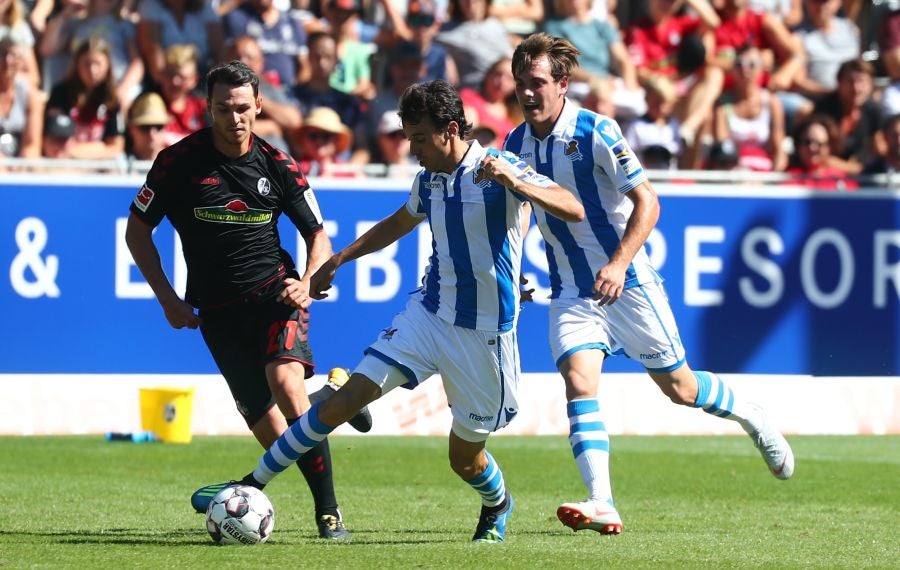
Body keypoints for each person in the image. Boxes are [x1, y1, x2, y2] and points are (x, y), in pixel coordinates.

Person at [194, 78, 585, 543]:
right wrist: (339, 258)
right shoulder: (429, 179)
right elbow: (398, 223)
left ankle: (497, 502)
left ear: (450, 130)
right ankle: (250, 484)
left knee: (464, 458)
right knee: (343, 402)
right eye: (408, 138)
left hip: (484, 334)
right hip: (428, 314)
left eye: (419, 138)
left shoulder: (497, 168)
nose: (412, 149)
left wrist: (516, 181)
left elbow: (573, 207)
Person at [504, 33, 795, 536]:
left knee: (681, 389)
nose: (527, 93)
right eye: (520, 84)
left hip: (628, 283)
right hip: (573, 290)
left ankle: (752, 414)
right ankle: (602, 502)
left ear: (563, 84)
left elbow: (649, 202)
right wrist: (515, 262)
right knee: (578, 381)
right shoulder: (515, 142)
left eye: (537, 83)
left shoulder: (597, 130)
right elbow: (525, 206)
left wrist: (617, 264)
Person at [124, 60, 371, 541]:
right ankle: (333, 401)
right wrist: (167, 299)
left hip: (276, 296)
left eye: (242, 108)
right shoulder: (176, 163)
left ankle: (330, 515)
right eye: (223, 109)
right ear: (207, 107)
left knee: (285, 383)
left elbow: (317, 234)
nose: (234, 118)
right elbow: (138, 232)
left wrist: (309, 281)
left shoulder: (277, 165)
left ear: (258, 105)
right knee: (279, 438)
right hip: (216, 313)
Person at [125, 91, 171, 161]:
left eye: (158, 127)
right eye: (145, 127)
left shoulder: (178, 162)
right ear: (131, 129)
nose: (152, 134)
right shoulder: (118, 165)